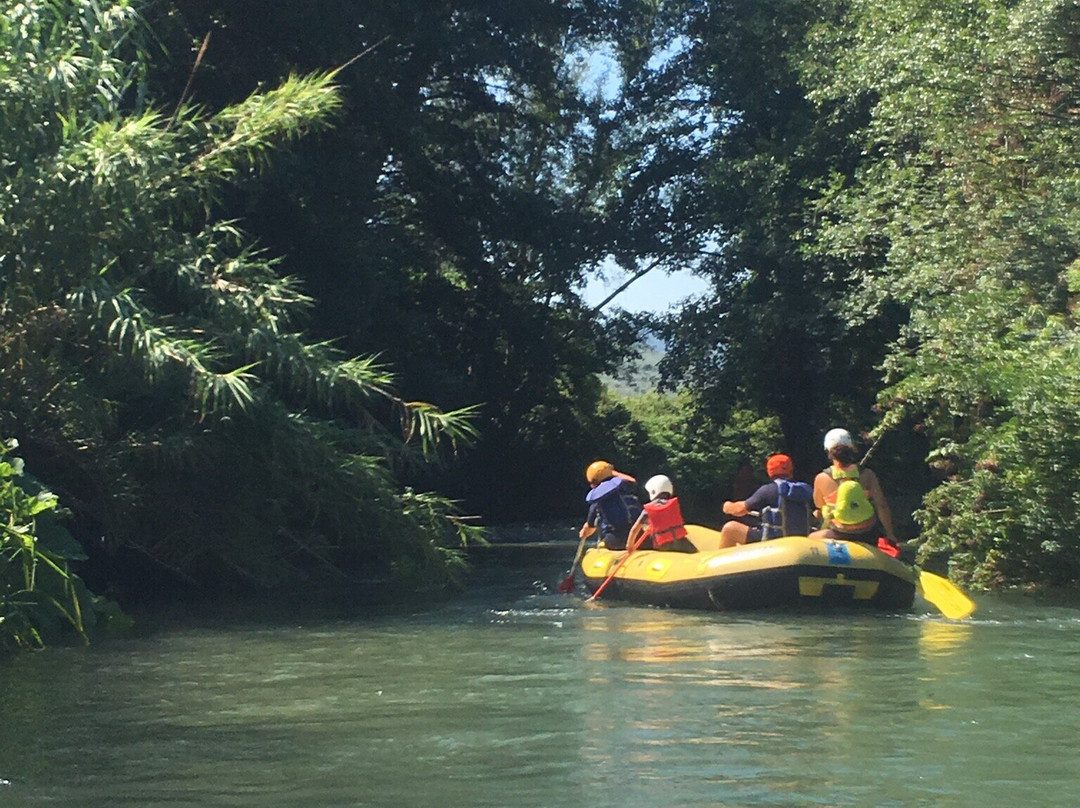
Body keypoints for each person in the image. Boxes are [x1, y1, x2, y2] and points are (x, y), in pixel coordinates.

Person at [809, 428, 897, 545]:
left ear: (828, 451)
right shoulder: (867, 474)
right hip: (867, 533)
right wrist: (890, 534)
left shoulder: (822, 478)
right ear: (851, 448)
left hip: (838, 532)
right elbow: (882, 506)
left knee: (811, 537)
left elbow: (819, 506)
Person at [718, 454, 812, 547]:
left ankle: (716, 561)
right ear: (791, 470)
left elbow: (739, 510)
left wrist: (727, 506)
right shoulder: (804, 490)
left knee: (729, 528)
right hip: (800, 542)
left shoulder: (768, 490)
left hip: (773, 541)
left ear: (769, 471)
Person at [579, 460, 642, 551]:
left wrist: (584, 531)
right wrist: (610, 472)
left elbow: (589, 529)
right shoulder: (627, 488)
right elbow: (632, 480)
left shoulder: (597, 501)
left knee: (601, 544)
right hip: (639, 537)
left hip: (616, 541)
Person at [626, 474, 698, 553]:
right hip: (680, 540)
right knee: (695, 553)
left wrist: (630, 545)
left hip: (663, 545)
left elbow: (634, 530)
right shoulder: (674, 505)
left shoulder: (647, 510)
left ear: (653, 491)